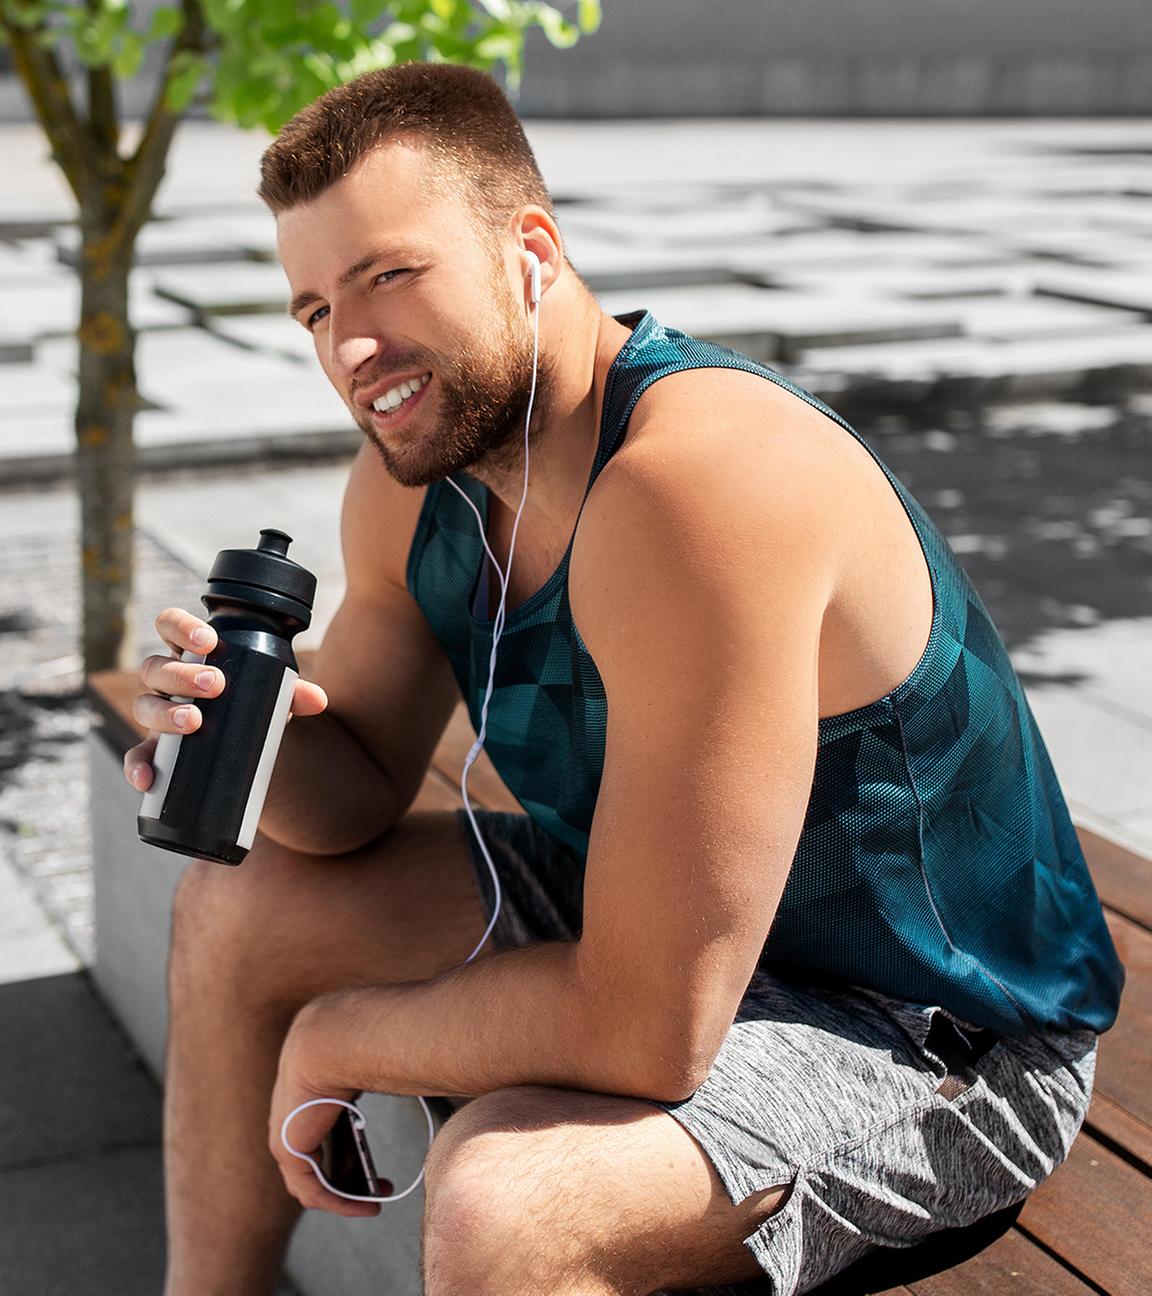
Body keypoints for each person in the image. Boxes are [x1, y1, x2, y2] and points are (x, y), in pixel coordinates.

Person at [124, 62, 1124, 1296]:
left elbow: (648, 1029)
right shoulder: (414, 493)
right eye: (316, 309)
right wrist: (245, 726)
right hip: (658, 914)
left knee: (509, 1198)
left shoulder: (698, 483)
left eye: (390, 274)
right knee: (242, 904)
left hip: (936, 1025)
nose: (353, 346)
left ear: (529, 251)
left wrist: (341, 1035)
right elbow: (363, 786)